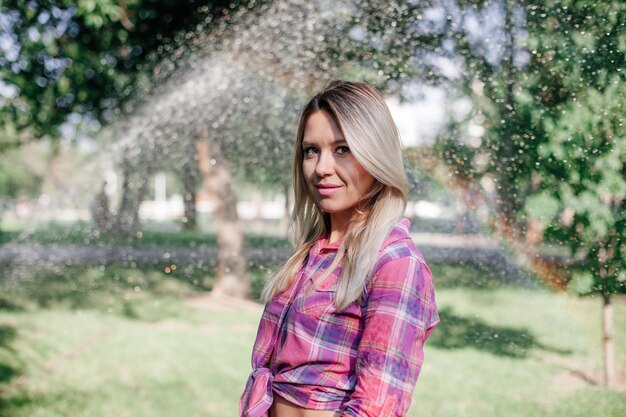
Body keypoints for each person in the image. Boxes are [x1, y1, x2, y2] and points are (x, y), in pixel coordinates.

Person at [239, 80, 440, 417]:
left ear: (376, 156)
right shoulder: (312, 253)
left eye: (343, 149)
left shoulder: (395, 263)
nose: (321, 168)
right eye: (311, 150)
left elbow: (376, 406)